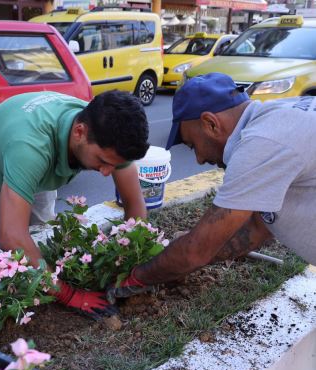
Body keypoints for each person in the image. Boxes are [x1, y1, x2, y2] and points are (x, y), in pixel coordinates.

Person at [108, 72, 316, 303]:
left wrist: (133, 280)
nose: (198, 159)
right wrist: (184, 250)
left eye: (192, 144)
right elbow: (258, 229)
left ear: (210, 123)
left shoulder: (260, 145)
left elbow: (196, 252)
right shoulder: (279, 116)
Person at [0, 90, 150, 317]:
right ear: (79, 132)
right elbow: (10, 237)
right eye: (102, 162)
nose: (106, 173)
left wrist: (132, 263)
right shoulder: (31, 148)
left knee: (40, 239)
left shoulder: (109, 133)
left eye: (113, 165)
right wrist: (70, 295)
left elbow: (134, 202)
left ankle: (42, 285)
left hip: (36, 162)